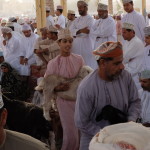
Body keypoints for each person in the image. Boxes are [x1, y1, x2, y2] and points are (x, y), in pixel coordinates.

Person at [74, 41, 141, 150]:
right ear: (102, 63)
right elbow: (81, 122)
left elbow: (135, 101)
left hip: (123, 137)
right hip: (94, 140)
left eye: (122, 62)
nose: (122, 67)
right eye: (117, 63)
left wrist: (130, 121)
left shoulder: (125, 77)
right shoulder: (87, 87)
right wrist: (107, 136)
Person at [45, 29, 84, 150]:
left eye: (70, 41)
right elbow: (47, 86)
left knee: (81, 131)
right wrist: (58, 87)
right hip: (63, 102)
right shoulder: (53, 63)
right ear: (59, 43)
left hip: (79, 101)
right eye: (65, 41)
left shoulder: (79, 59)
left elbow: (84, 78)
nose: (68, 44)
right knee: (71, 134)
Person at [70, 0, 97, 69]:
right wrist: (81, 30)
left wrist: (76, 32)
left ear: (85, 8)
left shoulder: (90, 19)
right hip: (76, 45)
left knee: (87, 64)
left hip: (86, 45)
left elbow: (87, 32)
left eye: (81, 7)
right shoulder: (76, 20)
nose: (79, 9)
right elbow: (70, 30)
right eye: (78, 8)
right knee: (77, 64)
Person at [122, 22, 144, 90]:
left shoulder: (136, 42)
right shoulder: (127, 41)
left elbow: (124, 58)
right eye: (122, 32)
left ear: (131, 32)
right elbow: (124, 58)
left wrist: (126, 59)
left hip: (135, 73)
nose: (122, 34)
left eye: (124, 32)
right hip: (130, 70)